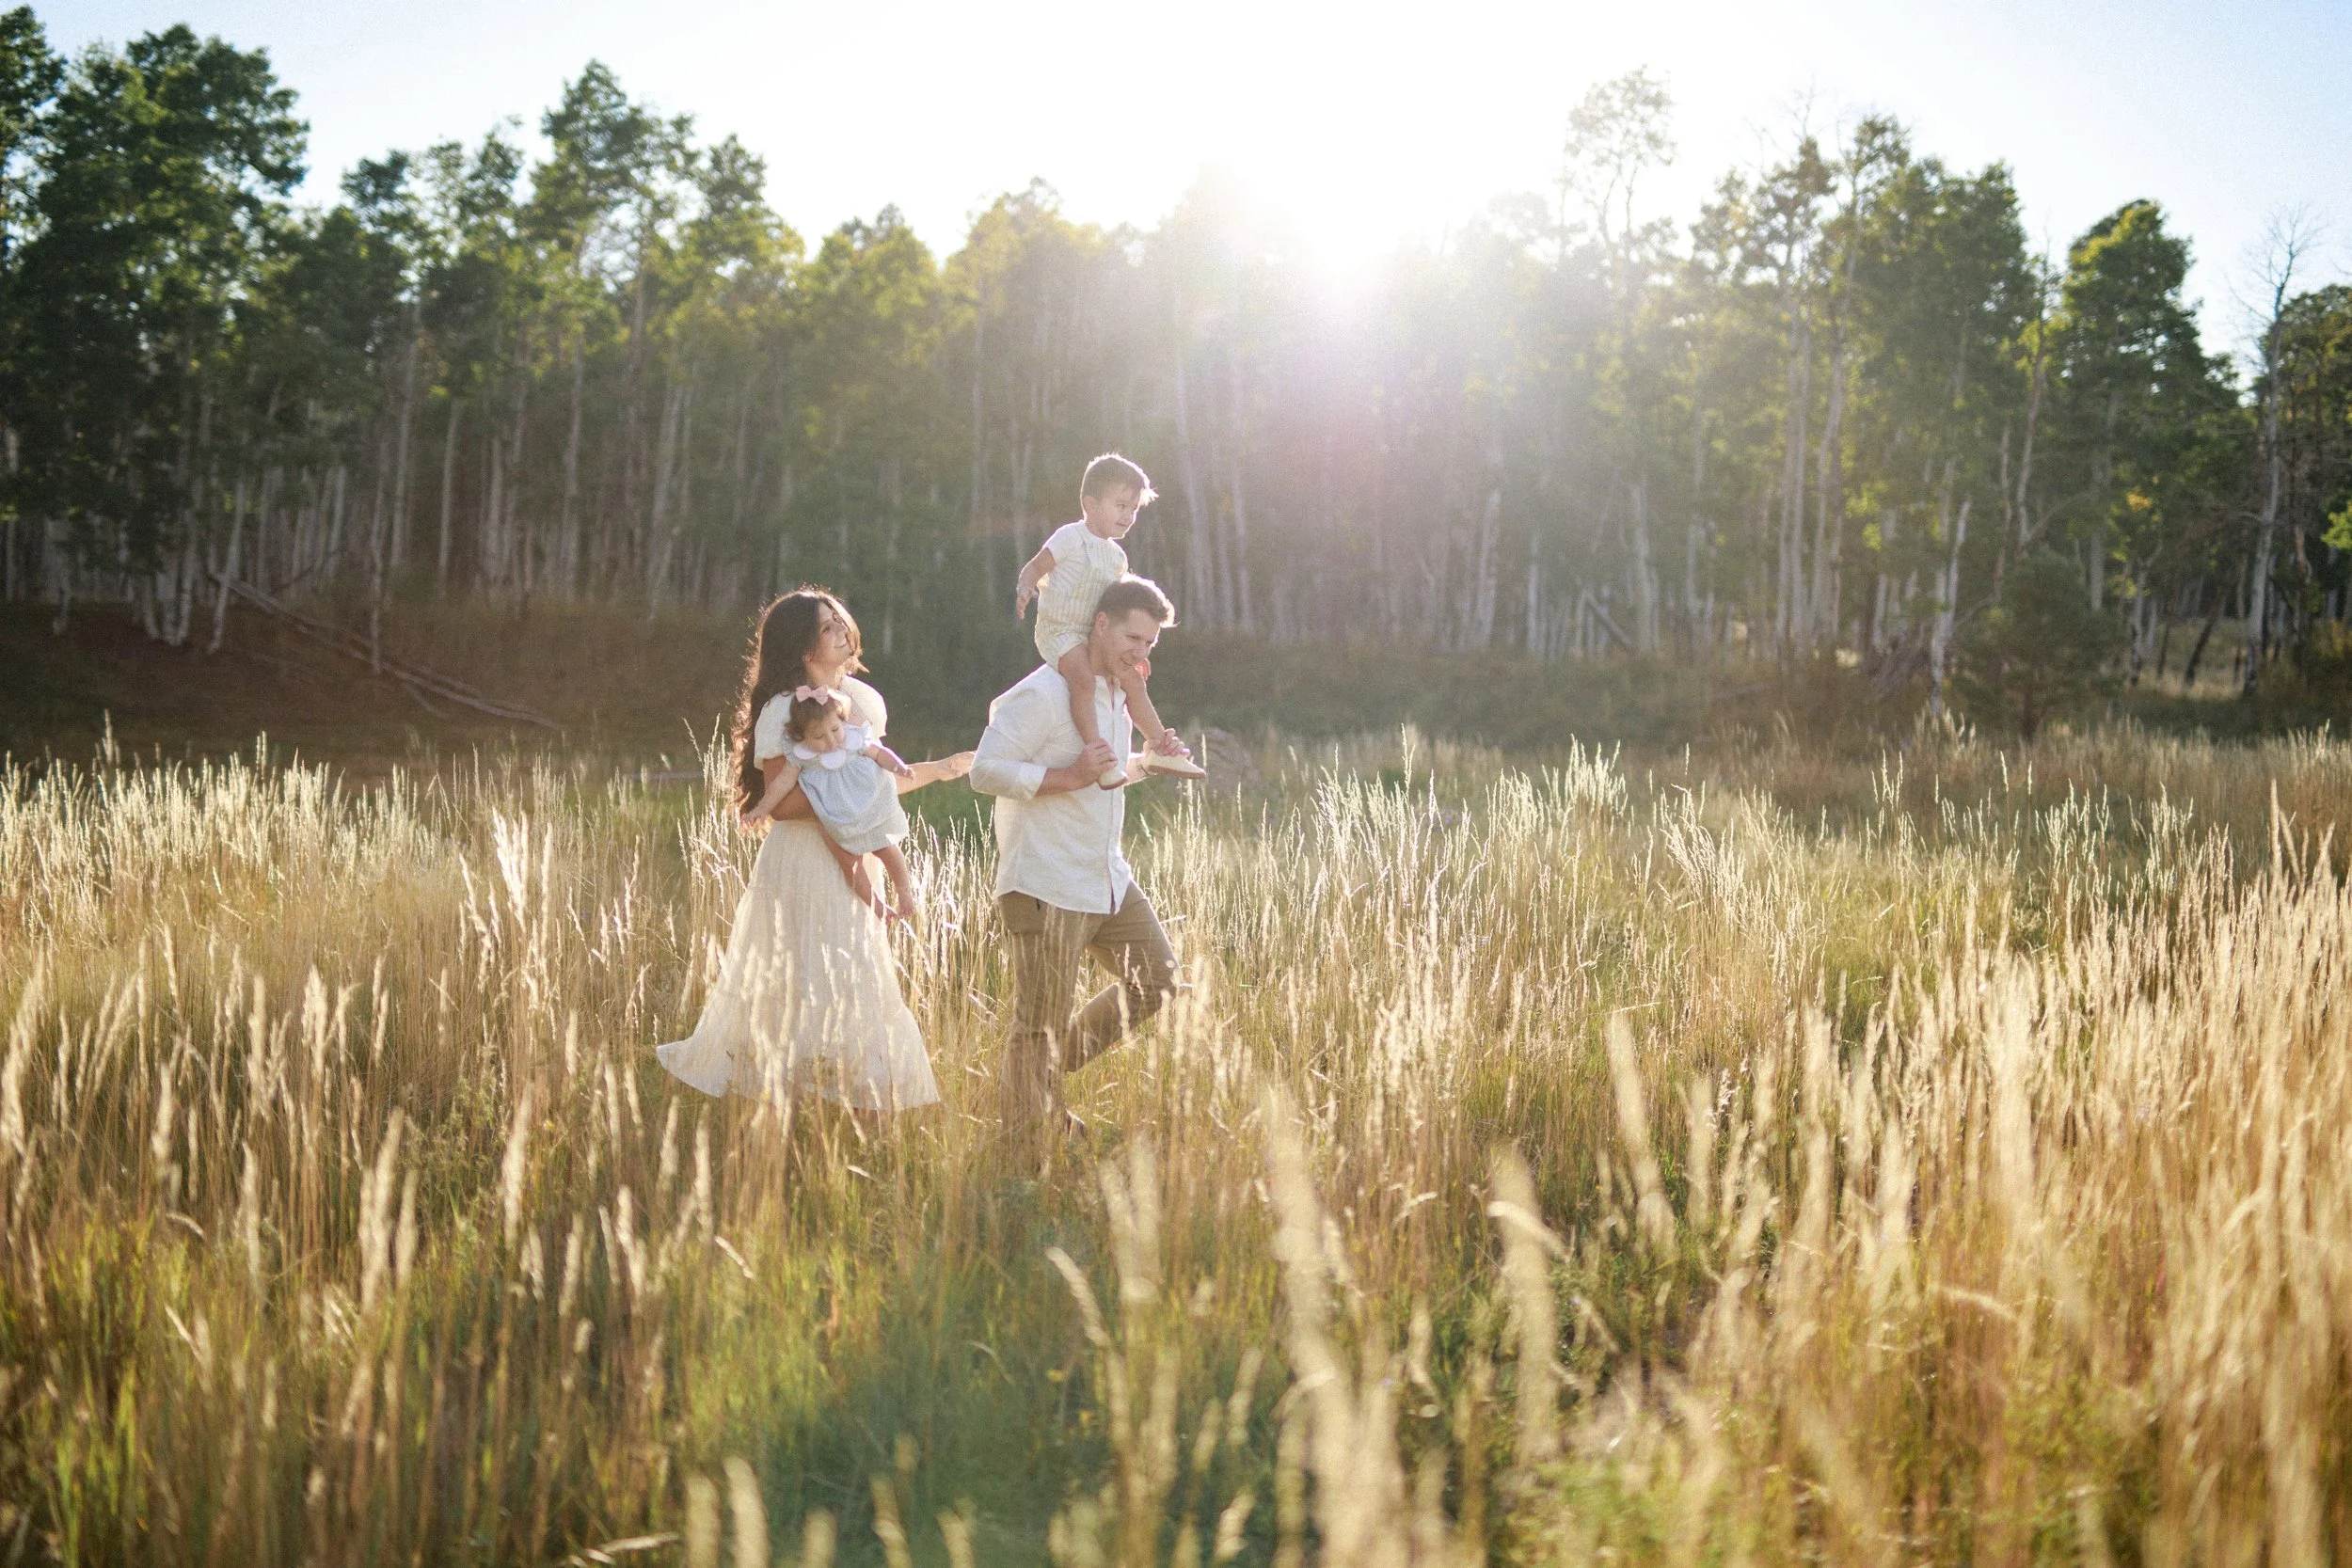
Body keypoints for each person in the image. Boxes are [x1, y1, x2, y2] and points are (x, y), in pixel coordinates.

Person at [657, 588, 972, 1114]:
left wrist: (938, 769)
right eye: (826, 627)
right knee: (802, 976)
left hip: (855, 847)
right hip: (804, 861)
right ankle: (789, 1103)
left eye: (840, 620)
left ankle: (846, 1102)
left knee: (854, 975)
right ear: (803, 648)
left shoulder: (863, 703)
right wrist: (845, 818)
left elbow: (863, 788)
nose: (841, 630)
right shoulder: (783, 710)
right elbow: (784, 804)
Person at [970, 574, 1186, 1139]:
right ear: (1100, 625)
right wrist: (1068, 776)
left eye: (1149, 646)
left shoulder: (1119, 695)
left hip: (1106, 879)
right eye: (1132, 639)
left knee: (1158, 979)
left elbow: (1105, 778)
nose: (1139, 654)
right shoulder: (1040, 694)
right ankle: (1022, 1153)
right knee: (1034, 1026)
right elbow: (984, 770)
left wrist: (1150, 762)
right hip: (1045, 884)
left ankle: (1035, 1084)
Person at [1015, 453, 1204, 789]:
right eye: (1120, 505)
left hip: (1092, 635)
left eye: (1133, 509)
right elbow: (1035, 566)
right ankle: (1097, 753)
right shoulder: (1070, 537)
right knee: (1084, 680)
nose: (1128, 516)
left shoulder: (1117, 556)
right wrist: (1026, 586)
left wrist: (1129, 652)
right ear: (1090, 504)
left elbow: (1119, 607)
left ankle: (1160, 746)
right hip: (1059, 632)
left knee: (1134, 682)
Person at [739, 683, 947, 926]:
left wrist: (899, 766)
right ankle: (877, 906)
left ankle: (904, 893)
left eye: (835, 729)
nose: (830, 741)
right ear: (802, 736)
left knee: (887, 847)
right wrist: (761, 809)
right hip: (831, 817)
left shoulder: (853, 738)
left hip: (863, 806)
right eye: (818, 736)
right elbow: (781, 784)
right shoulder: (800, 754)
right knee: (848, 862)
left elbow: (880, 753)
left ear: (841, 721)